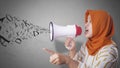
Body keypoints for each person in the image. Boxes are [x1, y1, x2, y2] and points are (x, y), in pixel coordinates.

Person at [43, 10, 118, 68]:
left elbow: (72, 63)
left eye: (91, 22)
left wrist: (67, 60)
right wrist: (72, 50)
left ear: (101, 26)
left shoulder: (110, 52)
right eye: (86, 21)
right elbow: (76, 62)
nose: (85, 24)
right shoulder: (88, 44)